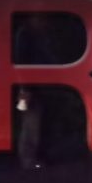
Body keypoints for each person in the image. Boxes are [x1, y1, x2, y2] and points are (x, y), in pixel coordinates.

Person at [13, 15, 57, 169]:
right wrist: (24, 87)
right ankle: (27, 158)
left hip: (43, 85)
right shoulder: (24, 36)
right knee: (30, 123)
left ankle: (39, 155)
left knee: (42, 122)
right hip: (30, 85)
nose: (42, 22)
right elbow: (21, 62)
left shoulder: (42, 37)